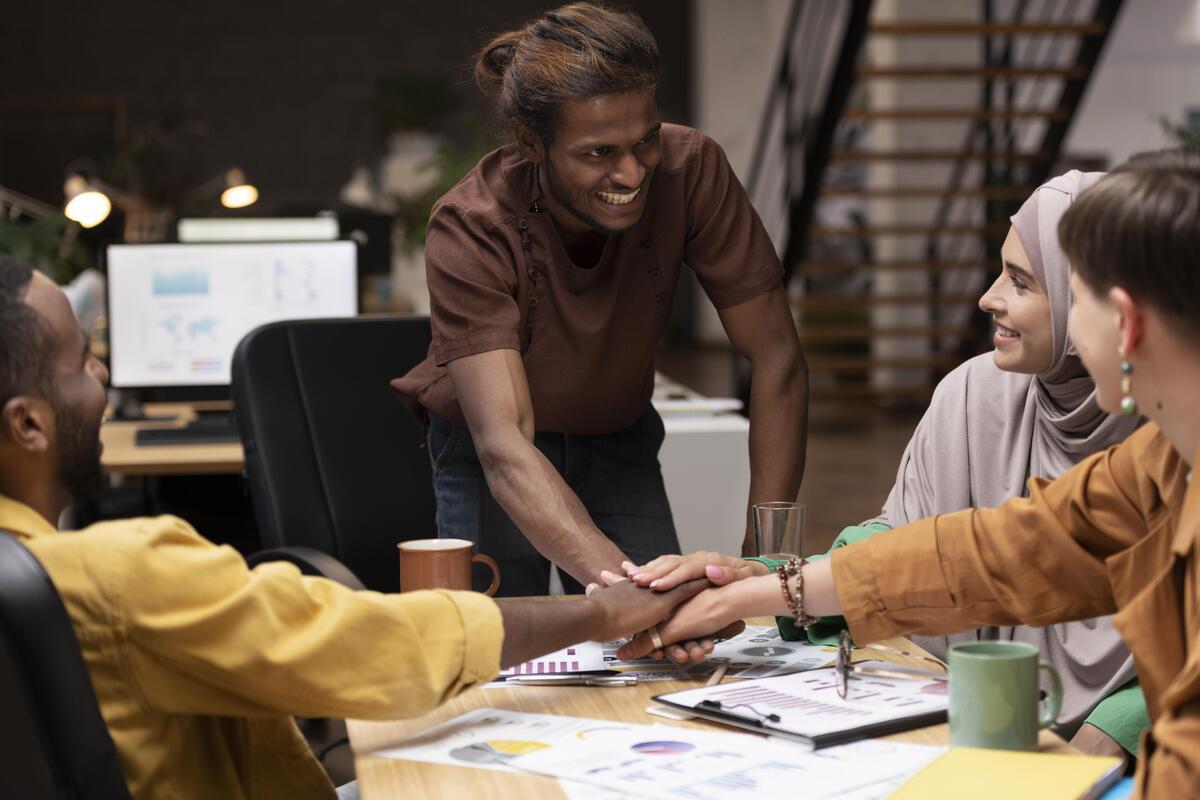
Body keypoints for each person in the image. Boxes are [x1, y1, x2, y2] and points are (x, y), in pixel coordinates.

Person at [0, 254, 713, 798]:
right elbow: (388, 643)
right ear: (28, 424)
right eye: (79, 362)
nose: (99, 369)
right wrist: (600, 610)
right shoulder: (122, 574)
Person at [619, 149, 1200, 797]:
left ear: (1129, 321)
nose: (988, 300)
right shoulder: (1159, 462)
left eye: (1076, 294)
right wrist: (754, 591)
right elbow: (997, 551)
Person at [391, 2, 809, 597]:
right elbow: (506, 441)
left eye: (645, 142)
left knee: (655, 654)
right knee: (507, 652)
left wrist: (768, 559)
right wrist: (633, 594)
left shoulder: (692, 171)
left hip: (619, 435)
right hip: (494, 454)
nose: (632, 173)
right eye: (598, 153)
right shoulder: (472, 224)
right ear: (530, 142)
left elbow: (778, 361)